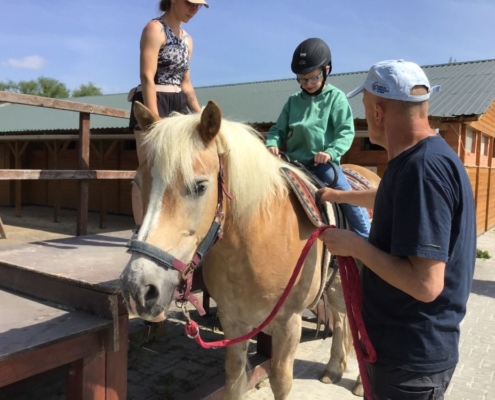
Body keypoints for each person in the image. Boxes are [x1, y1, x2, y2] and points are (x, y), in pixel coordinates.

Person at [318, 59, 476, 399]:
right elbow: (391, 197)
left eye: (364, 109)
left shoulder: (423, 169)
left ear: (377, 111)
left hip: (409, 363)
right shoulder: (423, 158)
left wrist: (353, 245)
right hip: (407, 356)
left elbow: (425, 284)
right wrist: (340, 194)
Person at [265, 38, 370, 238]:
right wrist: (272, 143)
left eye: (313, 78)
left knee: (344, 193)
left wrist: (330, 152)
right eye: (302, 79)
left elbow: (345, 132)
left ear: (326, 70)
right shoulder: (293, 101)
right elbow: (277, 130)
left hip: (321, 164)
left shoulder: (336, 98)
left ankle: (366, 236)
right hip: (292, 163)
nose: (308, 84)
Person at [128, 0, 207, 236]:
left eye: (199, 5)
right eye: (190, 3)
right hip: (154, 99)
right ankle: (140, 229)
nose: (194, 9)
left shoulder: (187, 40)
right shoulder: (155, 28)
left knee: (178, 171)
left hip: (178, 106)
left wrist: (200, 113)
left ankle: (167, 226)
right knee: (148, 169)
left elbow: (186, 84)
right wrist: (153, 119)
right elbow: (147, 75)